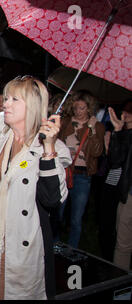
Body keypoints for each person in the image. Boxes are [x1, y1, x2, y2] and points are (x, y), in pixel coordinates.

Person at [0, 20, 71, 300]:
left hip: (19, 245)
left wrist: (49, 149)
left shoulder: (52, 147)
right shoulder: (0, 130)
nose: (4, 104)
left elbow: (52, 200)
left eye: (13, 100)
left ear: (31, 105)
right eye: (5, 98)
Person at [56, 91, 105, 248]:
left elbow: (97, 152)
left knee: (76, 218)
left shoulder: (97, 126)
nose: (78, 111)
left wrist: (92, 130)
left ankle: (72, 250)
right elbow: (54, 143)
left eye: (82, 108)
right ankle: (53, 246)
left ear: (89, 109)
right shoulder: (65, 122)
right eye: (76, 107)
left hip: (83, 176)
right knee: (58, 213)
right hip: (64, 171)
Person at [107, 101, 132, 271]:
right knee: (123, 242)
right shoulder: (127, 135)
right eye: (126, 109)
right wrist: (117, 131)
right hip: (129, 193)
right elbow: (115, 161)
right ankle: (119, 286)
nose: (125, 113)